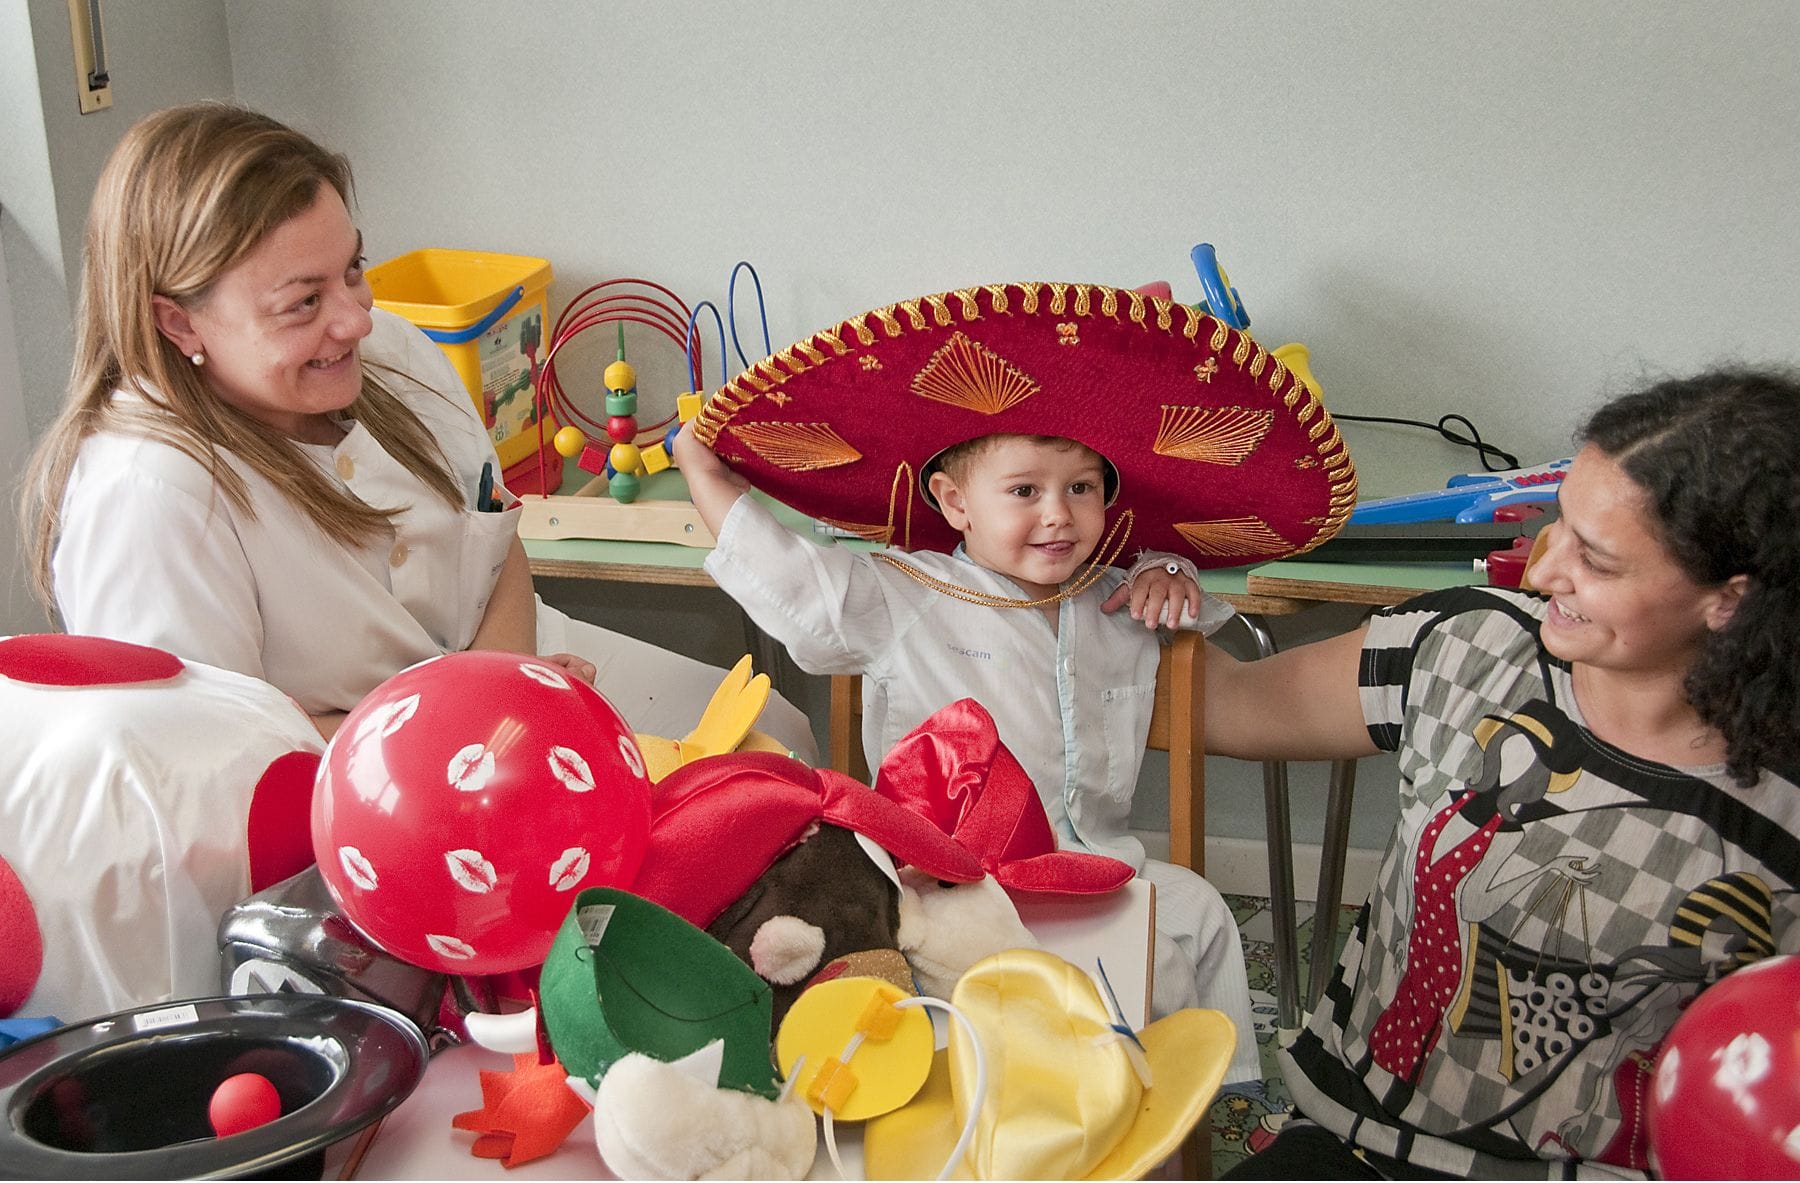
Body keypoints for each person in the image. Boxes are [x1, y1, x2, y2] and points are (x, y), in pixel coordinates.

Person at [668, 281, 1356, 1088]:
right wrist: (699, 468)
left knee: (1200, 914)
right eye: (1025, 491)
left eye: (1082, 489)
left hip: (1096, 867)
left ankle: (1211, 1100)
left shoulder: (1114, 597)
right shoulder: (906, 595)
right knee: (1106, 997)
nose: (1058, 515)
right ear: (955, 502)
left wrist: (1174, 573)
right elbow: (792, 579)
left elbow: (1195, 616)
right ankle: (1094, 1117)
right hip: (952, 886)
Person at [18, 102, 813, 755]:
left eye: (353, 270)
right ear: (179, 322)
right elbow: (210, 754)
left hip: (505, 671)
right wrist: (472, 719)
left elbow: (494, 540)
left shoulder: (392, 349)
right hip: (361, 772)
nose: (356, 317)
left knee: (777, 735)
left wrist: (508, 682)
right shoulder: (150, 497)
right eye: (303, 302)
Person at [1209, 368, 1800, 1179]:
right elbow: (1222, 703)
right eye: (1559, 525)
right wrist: (1043, 575)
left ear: (1728, 601)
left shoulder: (1780, 815)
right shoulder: (1466, 646)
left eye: (1596, 559)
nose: (1547, 568)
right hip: (1354, 1141)